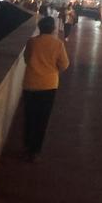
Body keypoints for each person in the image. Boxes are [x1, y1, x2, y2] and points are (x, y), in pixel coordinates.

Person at [22, 16, 70, 162]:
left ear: (40, 27)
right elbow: (64, 65)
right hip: (48, 86)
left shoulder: (32, 42)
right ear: (53, 28)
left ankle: (27, 146)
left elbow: (26, 58)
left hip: (30, 84)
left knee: (29, 116)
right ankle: (36, 150)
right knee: (42, 119)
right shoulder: (58, 44)